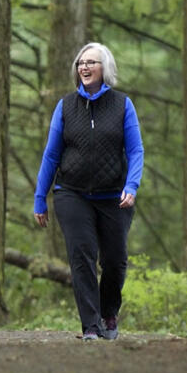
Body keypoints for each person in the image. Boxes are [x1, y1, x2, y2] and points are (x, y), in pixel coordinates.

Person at [33, 42, 144, 341]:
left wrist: (131, 186)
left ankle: (109, 314)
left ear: (104, 68)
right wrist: (40, 197)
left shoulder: (123, 105)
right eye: (81, 62)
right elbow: (51, 155)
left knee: (115, 260)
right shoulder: (66, 106)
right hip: (72, 193)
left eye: (91, 62)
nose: (84, 67)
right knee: (82, 256)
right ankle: (91, 325)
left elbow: (135, 151)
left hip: (114, 196)